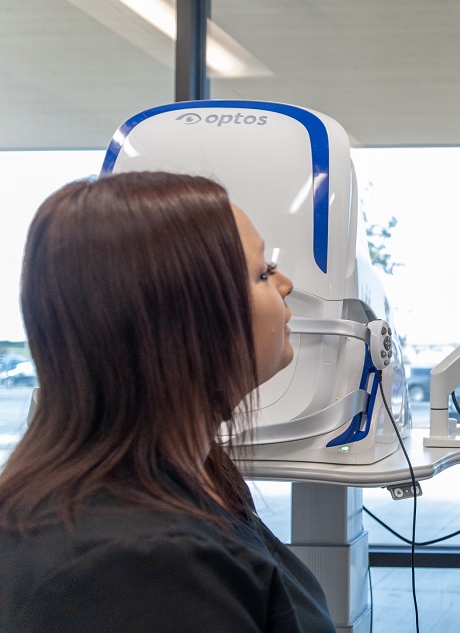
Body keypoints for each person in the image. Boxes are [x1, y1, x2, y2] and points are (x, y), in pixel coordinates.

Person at [0, 171, 338, 632]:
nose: (287, 284)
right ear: (188, 322)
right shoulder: (141, 570)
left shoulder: (197, 474)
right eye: (263, 273)